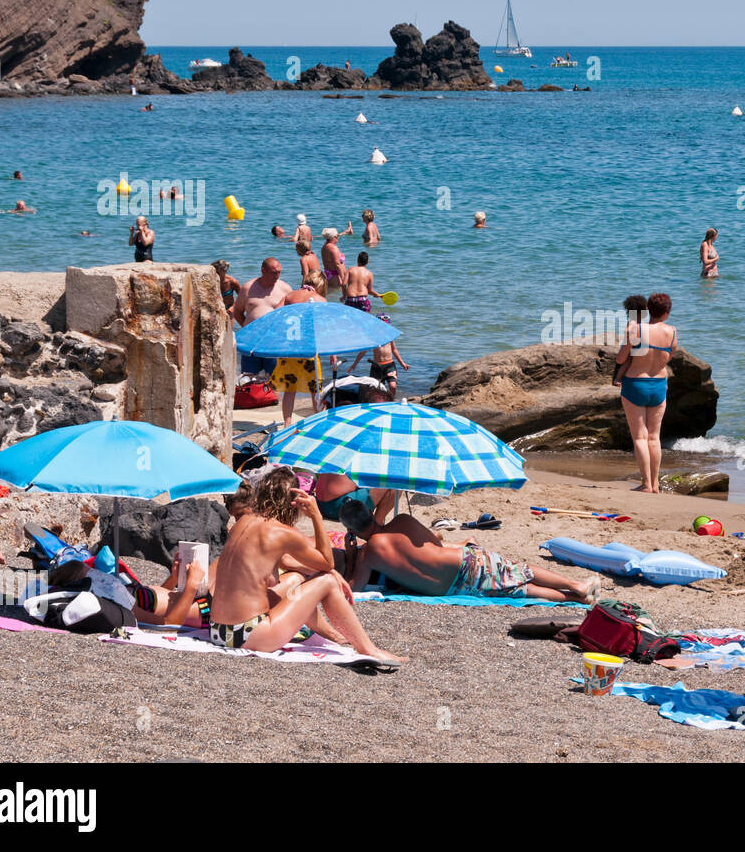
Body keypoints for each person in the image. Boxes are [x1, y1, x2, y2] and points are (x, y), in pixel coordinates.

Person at [207, 467, 406, 665]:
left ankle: (331, 634)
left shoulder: (242, 524)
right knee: (326, 582)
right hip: (249, 635)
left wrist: (327, 571)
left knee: (295, 579)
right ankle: (368, 649)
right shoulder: (281, 532)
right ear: (293, 503)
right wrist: (316, 517)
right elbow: (327, 561)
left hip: (218, 630)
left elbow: (282, 565)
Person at [337, 502, 598, 602]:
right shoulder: (402, 520)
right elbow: (436, 545)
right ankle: (575, 585)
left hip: (452, 588)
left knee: (518, 589)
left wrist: (350, 557)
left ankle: (575, 599)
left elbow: (354, 590)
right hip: (461, 561)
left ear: (350, 530)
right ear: (370, 514)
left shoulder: (367, 555)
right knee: (518, 572)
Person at [614, 292, 676, 493]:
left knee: (640, 437)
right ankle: (656, 484)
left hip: (635, 384)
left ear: (648, 309)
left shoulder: (636, 328)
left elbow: (621, 358)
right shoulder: (672, 332)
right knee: (654, 437)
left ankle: (646, 484)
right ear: (667, 313)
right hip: (659, 384)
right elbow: (668, 357)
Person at [272, 271, 327, 425]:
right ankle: (319, 422)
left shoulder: (290, 296)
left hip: (289, 348)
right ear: (320, 284)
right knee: (315, 389)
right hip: (308, 348)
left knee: (290, 390)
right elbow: (324, 326)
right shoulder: (320, 299)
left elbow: (275, 313)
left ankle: (287, 424)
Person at [321, 228, 347, 293]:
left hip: (328, 274)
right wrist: (343, 278)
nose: (338, 237)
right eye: (337, 235)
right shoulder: (333, 248)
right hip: (335, 276)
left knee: (332, 295)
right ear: (334, 237)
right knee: (340, 294)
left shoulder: (324, 246)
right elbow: (337, 264)